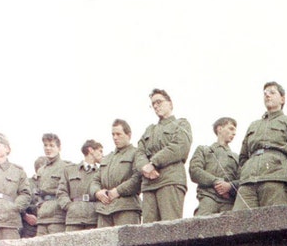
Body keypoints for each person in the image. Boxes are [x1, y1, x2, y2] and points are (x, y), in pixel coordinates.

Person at [232, 82, 287, 211]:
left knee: (273, 223)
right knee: (239, 223)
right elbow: (243, 157)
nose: (267, 95)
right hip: (248, 181)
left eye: (272, 92)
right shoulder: (254, 125)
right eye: (265, 93)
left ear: (282, 99)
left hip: (276, 179)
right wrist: (249, 169)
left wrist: (284, 164)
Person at [136, 89, 192, 223]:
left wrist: (153, 163)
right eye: (153, 104)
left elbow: (180, 147)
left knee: (170, 227)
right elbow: (139, 152)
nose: (156, 106)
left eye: (159, 102)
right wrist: (144, 167)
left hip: (170, 181)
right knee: (148, 231)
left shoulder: (181, 124)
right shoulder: (149, 130)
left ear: (170, 104)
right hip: (149, 183)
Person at [94, 120, 145, 227]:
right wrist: (97, 192)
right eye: (113, 134)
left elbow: (138, 177)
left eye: (118, 134)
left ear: (129, 135)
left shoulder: (137, 153)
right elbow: (95, 180)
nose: (115, 138)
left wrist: (118, 191)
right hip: (104, 209)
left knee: (127, 242)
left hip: (126, 208)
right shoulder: (107, 158)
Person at [189, 117, 240, 216]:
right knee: (199, 226)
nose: (234, 133)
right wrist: (216, 181)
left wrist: (229, 186)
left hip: (228, 201)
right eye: (231, 128)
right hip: (208, 197)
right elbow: (194, 171)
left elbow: (243, 179)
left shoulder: (237, 158)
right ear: (219, 129)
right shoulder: (203, 150)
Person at [27, 133, 73, 236]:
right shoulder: (41, 170)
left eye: (52, 145)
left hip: (57, 216)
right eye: (46, 145)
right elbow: (37, 193)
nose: (48, 148)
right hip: (42, 217)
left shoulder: (67, 167)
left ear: (59, 148)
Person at [65, 140, 104, 232]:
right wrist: (69, 206)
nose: (102, 155)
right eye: (100, 151)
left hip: (94, 218)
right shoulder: (70, 170)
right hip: (74, 219)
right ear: (91, 150)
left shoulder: (102, 172)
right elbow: (61, 192)